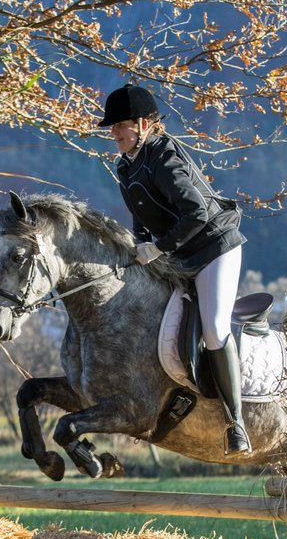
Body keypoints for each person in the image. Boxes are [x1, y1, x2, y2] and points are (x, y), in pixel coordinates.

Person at [98, 82, 251, 455]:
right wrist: (137, 248)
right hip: (178, 255)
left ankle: (236, 423)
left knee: (214, 328)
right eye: (113, 127)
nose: (113, 133)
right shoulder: (126, 165)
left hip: (213, 247)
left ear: (145, 125)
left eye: (121, 126)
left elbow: (196, 213)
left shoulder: (164, 156)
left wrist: (159, 248)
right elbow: (139, 218)